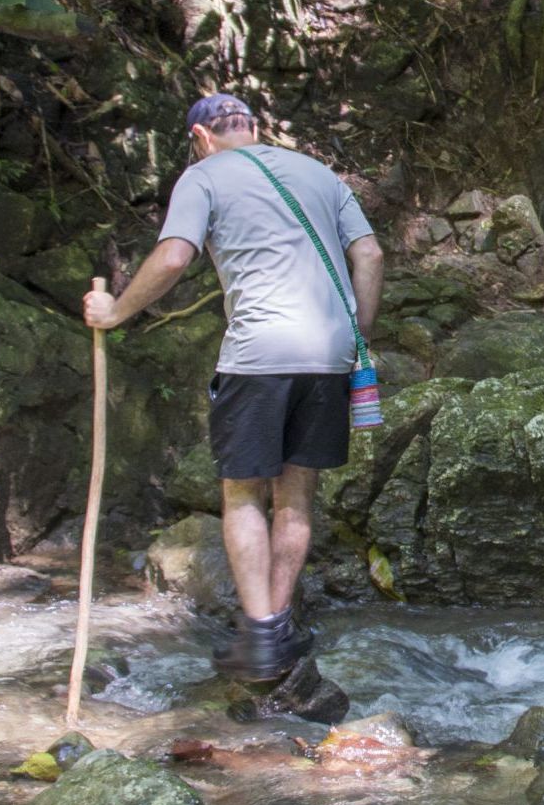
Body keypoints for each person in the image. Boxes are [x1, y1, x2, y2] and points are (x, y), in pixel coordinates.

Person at [83, 92, 383, 681]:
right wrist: (357, 334)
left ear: (201, 137)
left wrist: (115, 312)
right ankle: (277, 626)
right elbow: (369, 252)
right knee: (295, 495)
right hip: (329, 355)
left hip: (260, 357)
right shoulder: (319, 173)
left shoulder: (204, 177)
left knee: (244, 493)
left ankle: (261, 638)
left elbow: (172, 258)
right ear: (255, 127)